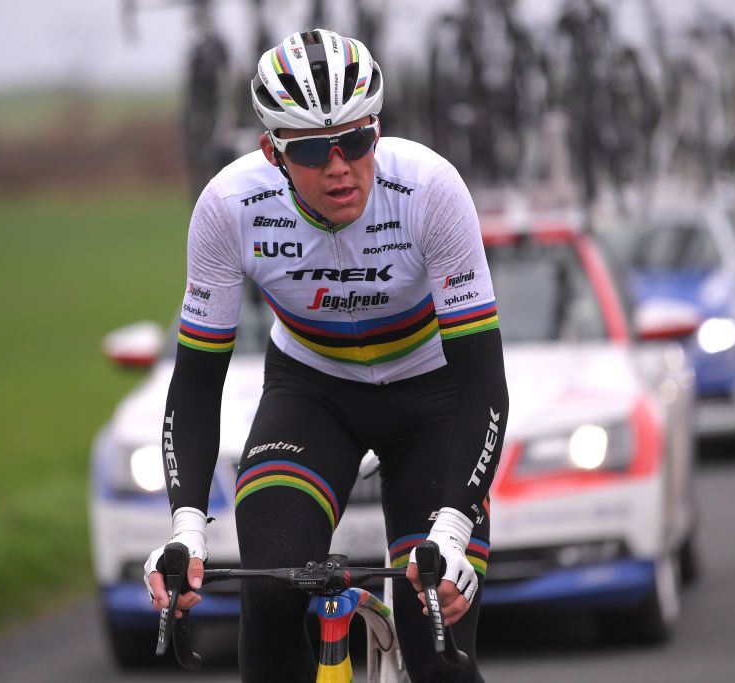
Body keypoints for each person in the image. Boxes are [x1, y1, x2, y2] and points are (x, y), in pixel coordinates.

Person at [144, 29, 509, 682]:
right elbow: (196, 385)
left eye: (357, 141)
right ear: (273, 152)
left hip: (433, 399)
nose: (339, 166)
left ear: (377, 130)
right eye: (313, 149)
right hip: (312, 394)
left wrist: (453, 530)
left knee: (439, 638)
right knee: (271, 588)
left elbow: (484, 380)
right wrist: (186, 530)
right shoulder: (230, 208)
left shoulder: (430, 190)